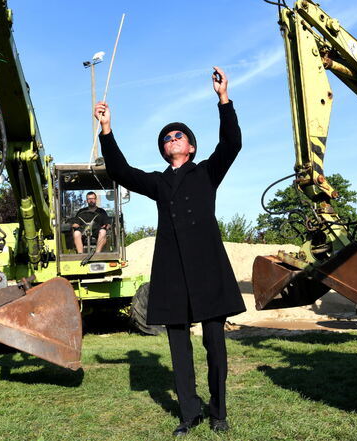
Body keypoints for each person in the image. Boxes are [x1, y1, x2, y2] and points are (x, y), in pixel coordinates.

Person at [95, 66, 245, 436]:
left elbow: (232, 144)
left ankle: (219, 411)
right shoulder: (160, 182)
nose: (171, 139)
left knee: (214, 346)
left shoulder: (207, 172)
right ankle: (189, 413)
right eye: (166, 138)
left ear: (190, 146)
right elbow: (121, 172)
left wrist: (223, 100)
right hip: (172, 272)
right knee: (179, 350)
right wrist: (107, 130)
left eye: (178, 136)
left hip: (208, 269)